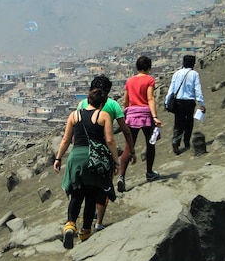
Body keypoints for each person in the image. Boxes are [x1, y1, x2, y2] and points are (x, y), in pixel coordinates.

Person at [53, 88, 119, 249]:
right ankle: (85, 231)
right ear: (102, 104)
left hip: (76, 158)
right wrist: (115, 161)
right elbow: (109, 140)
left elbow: (66, 140)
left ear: (88, 100)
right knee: (91, 196)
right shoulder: (103, 115)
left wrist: (58, 158)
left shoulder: (74, 115)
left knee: (76, 194)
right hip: (93, 160)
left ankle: (70, 225)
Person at [78, 75, 136, 231]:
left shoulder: (83, 104)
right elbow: (125, 130)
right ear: (107, 91)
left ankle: (84, 223)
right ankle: (99, 222)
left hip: (85, 151)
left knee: (87, 189)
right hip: (104, 152)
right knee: (104, 187)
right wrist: (131, 150)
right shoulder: (112, 105)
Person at [117, 56, 162, 188]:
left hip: (131, 115)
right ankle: (149, 172)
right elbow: (150, 98)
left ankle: (121, 176)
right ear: (149, 67)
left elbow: (126, 100)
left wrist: (127, 111)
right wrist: (154, 116)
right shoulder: (149, 80)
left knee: (128, 146)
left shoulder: (129, 81)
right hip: (146, 114)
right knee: (150, 143)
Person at [165, 54, 205, 155]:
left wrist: (166, 102)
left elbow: (171, 89)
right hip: (189, 102)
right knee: (189, 122)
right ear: (193, 63)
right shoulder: (194, 74)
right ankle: (187, 142)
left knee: (178, 123)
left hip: (178, 101)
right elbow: (197, 89)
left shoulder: (177, 73)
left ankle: (175, 142)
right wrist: (201, 103)